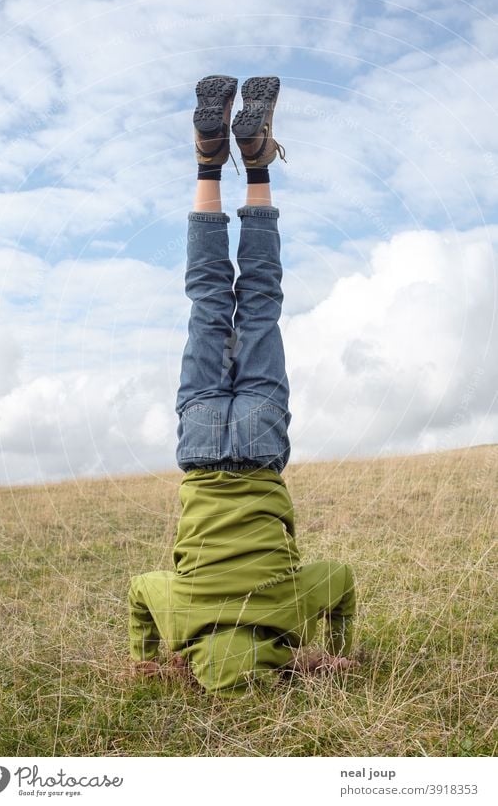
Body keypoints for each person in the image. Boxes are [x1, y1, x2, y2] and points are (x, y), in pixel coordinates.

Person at [128, 75, 357, 696]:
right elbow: (140, 589)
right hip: (201, 450)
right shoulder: (179, 619)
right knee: (206, 301)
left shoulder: (289, 615)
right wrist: (149, 654)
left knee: (259, 303)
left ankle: (255, 166)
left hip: (258, 446)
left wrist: (333, 651)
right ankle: (209, 159)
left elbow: (339, 576)